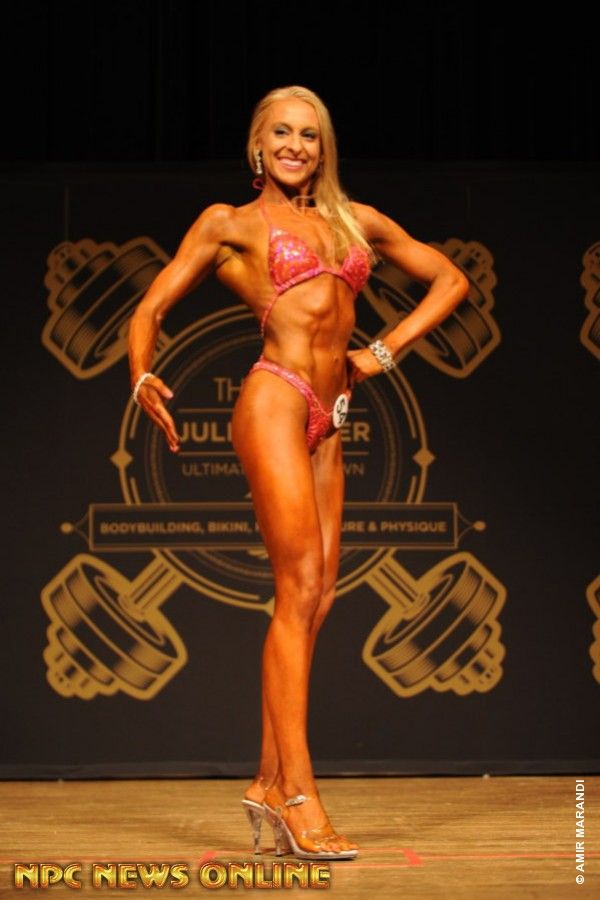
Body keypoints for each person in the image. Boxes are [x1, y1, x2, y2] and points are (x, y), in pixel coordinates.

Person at [128, 85, 469, 860]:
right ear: (258, 145)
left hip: (333, 412)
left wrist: (382, 353)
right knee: (299, 585)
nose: (294, 146)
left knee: (317, 600)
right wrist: (142, 373)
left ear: (324, 148)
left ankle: (264, 780)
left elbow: (451, 280)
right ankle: (301, 795)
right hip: (275, 398)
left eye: (308, 135)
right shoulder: (231, 224)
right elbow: (149, 307)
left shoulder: (355, 220)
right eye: (280, 132)